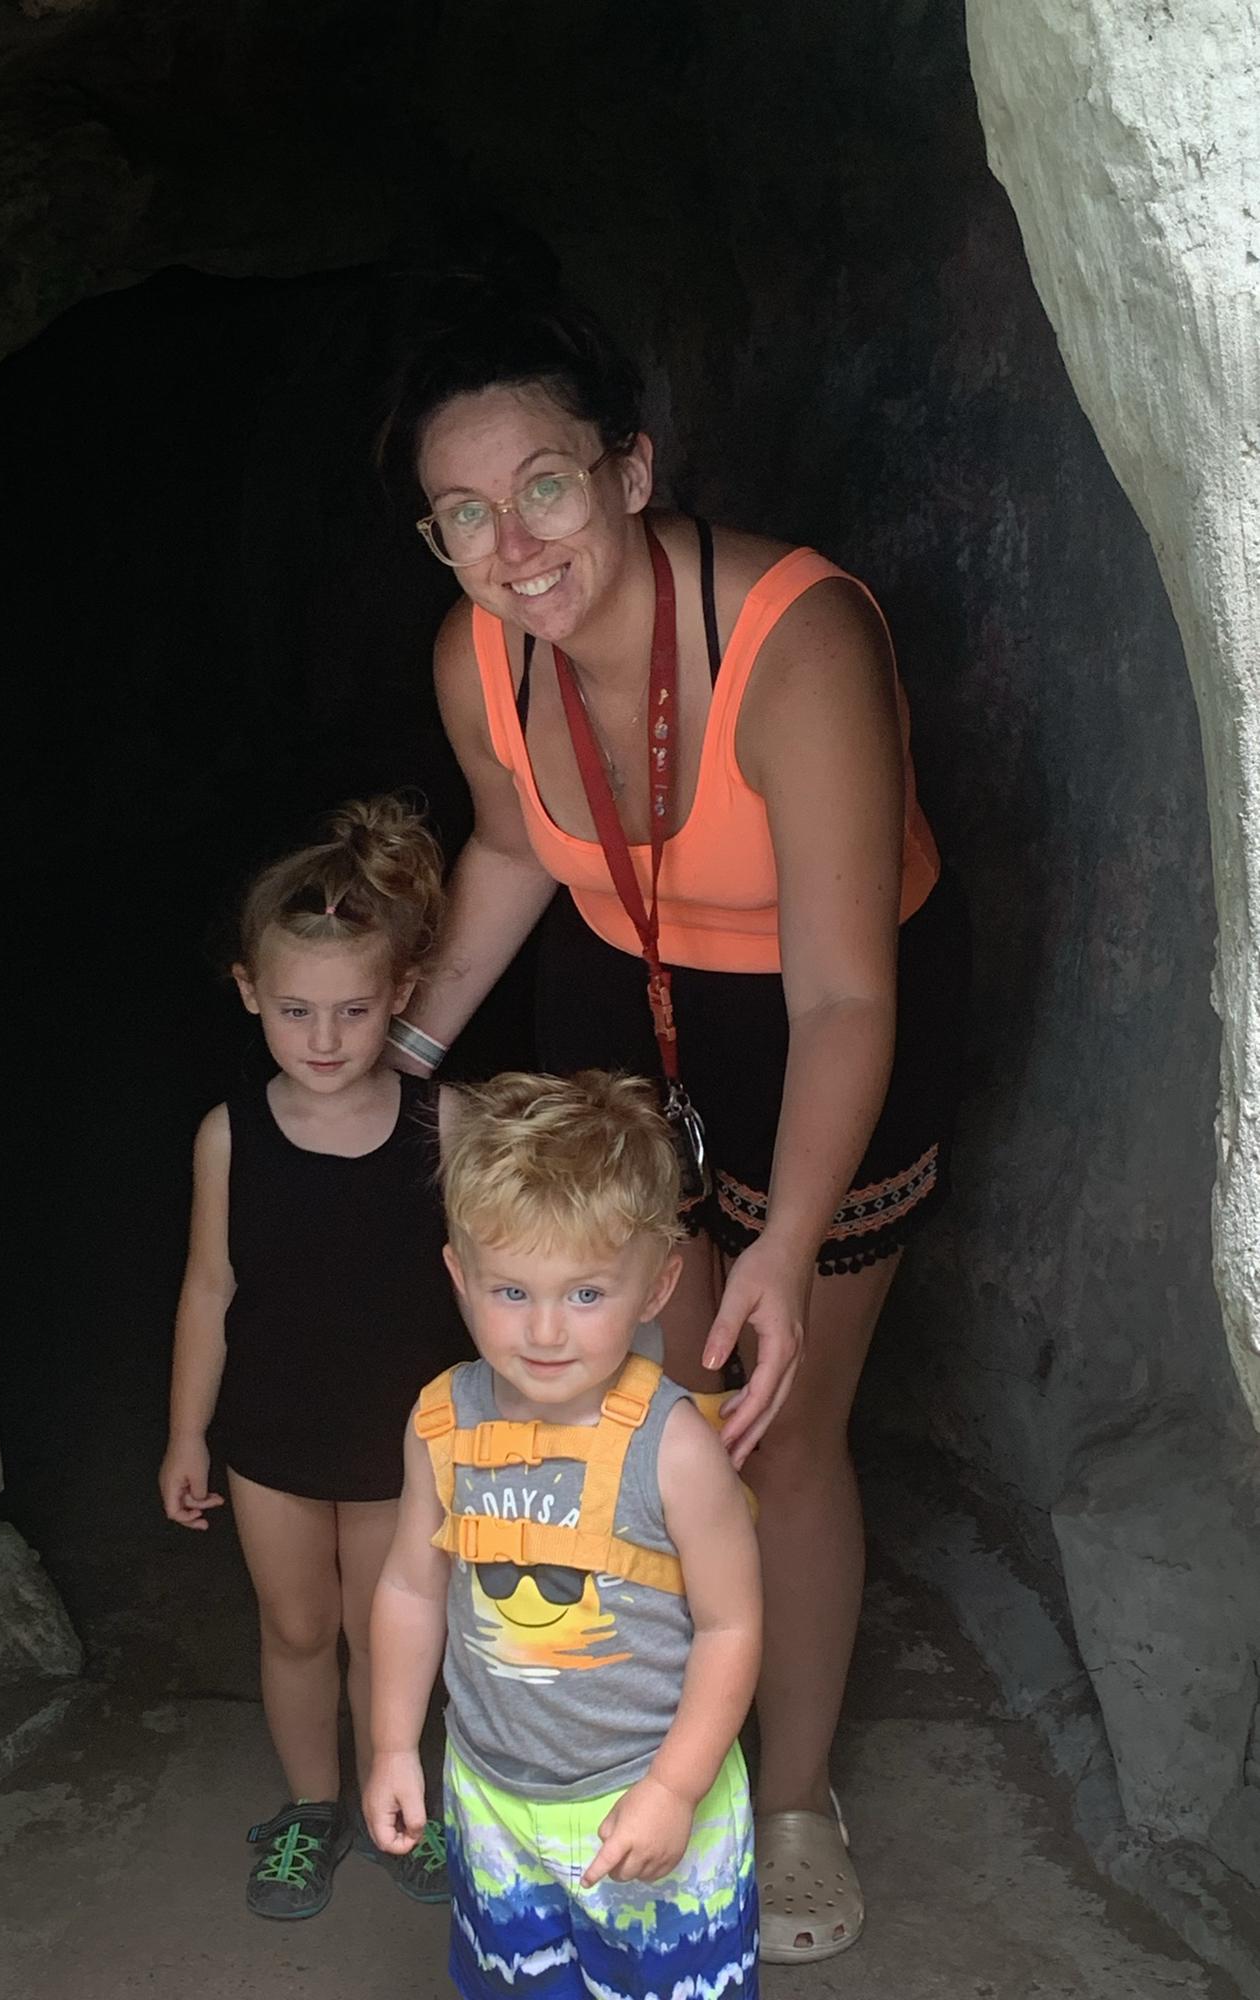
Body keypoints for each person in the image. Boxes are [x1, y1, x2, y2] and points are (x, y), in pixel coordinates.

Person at [377, 290, 968, 1960]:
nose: (512, 547)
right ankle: (646, 1759)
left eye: (544, 486)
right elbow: (514, 849)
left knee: (778, 1429)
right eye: (463, 516)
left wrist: (787, 1242)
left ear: (628, 471)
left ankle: (794, 1804)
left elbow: (844, 993)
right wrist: (399, 1054)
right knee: (650, 1408)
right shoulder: (478, 656)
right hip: (624, 1000)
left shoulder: (796, 639)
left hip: (828, 1021)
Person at [365, 1069, 763, 2000]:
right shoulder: (441, 1422)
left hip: (646, 1795)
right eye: (511, 1290)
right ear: (459, 1276)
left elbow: (732, 1626)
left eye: (586, 1294)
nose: (545, 1331)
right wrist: (391, 1746)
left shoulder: (674, 1450)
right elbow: (410, 1588)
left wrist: (674, 1789)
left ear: (658, 1285)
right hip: (493, 1796)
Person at [158, 795, 471, 1921]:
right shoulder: (229, 1134)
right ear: (250, 991)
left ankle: (401, 1799)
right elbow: (210, 1287)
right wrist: (188, 1433)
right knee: (296, 1628)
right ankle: (309, 1807)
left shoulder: (449, 1126)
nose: (324, 1039)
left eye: (352, 1010)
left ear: (401, 993)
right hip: (271, 1440)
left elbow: (495, 1285)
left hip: (405, 1445)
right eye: (296, 1010)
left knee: (392, 1630)